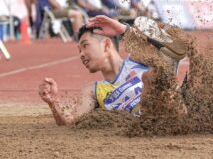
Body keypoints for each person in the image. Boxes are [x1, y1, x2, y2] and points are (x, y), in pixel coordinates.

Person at [38, 16, 188, 125]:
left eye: (85, 46)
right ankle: (147, 113)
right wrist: (54, 102)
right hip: (142, 123)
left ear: (106, 45)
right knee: (150, 77)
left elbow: (175, 50)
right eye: (79, 50)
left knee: (155, 71)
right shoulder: (92, 90)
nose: (81, 54)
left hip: (171, 104)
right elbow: (73, 121)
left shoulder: (136, 59)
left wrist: (122, 29)